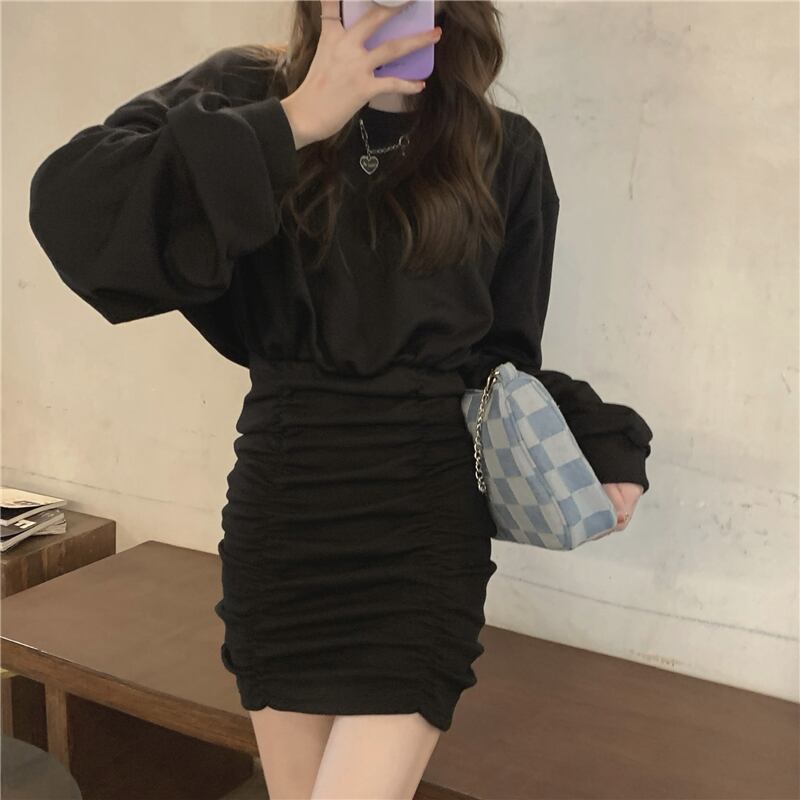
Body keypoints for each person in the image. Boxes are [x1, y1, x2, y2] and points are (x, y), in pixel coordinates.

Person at [28, 1, 653, 797]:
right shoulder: (248, 93)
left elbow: (496, 364)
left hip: (421, 531)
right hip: (283, 519)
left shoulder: (504, 151)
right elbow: (74, 208)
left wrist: (598, 435)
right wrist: (293, 122)